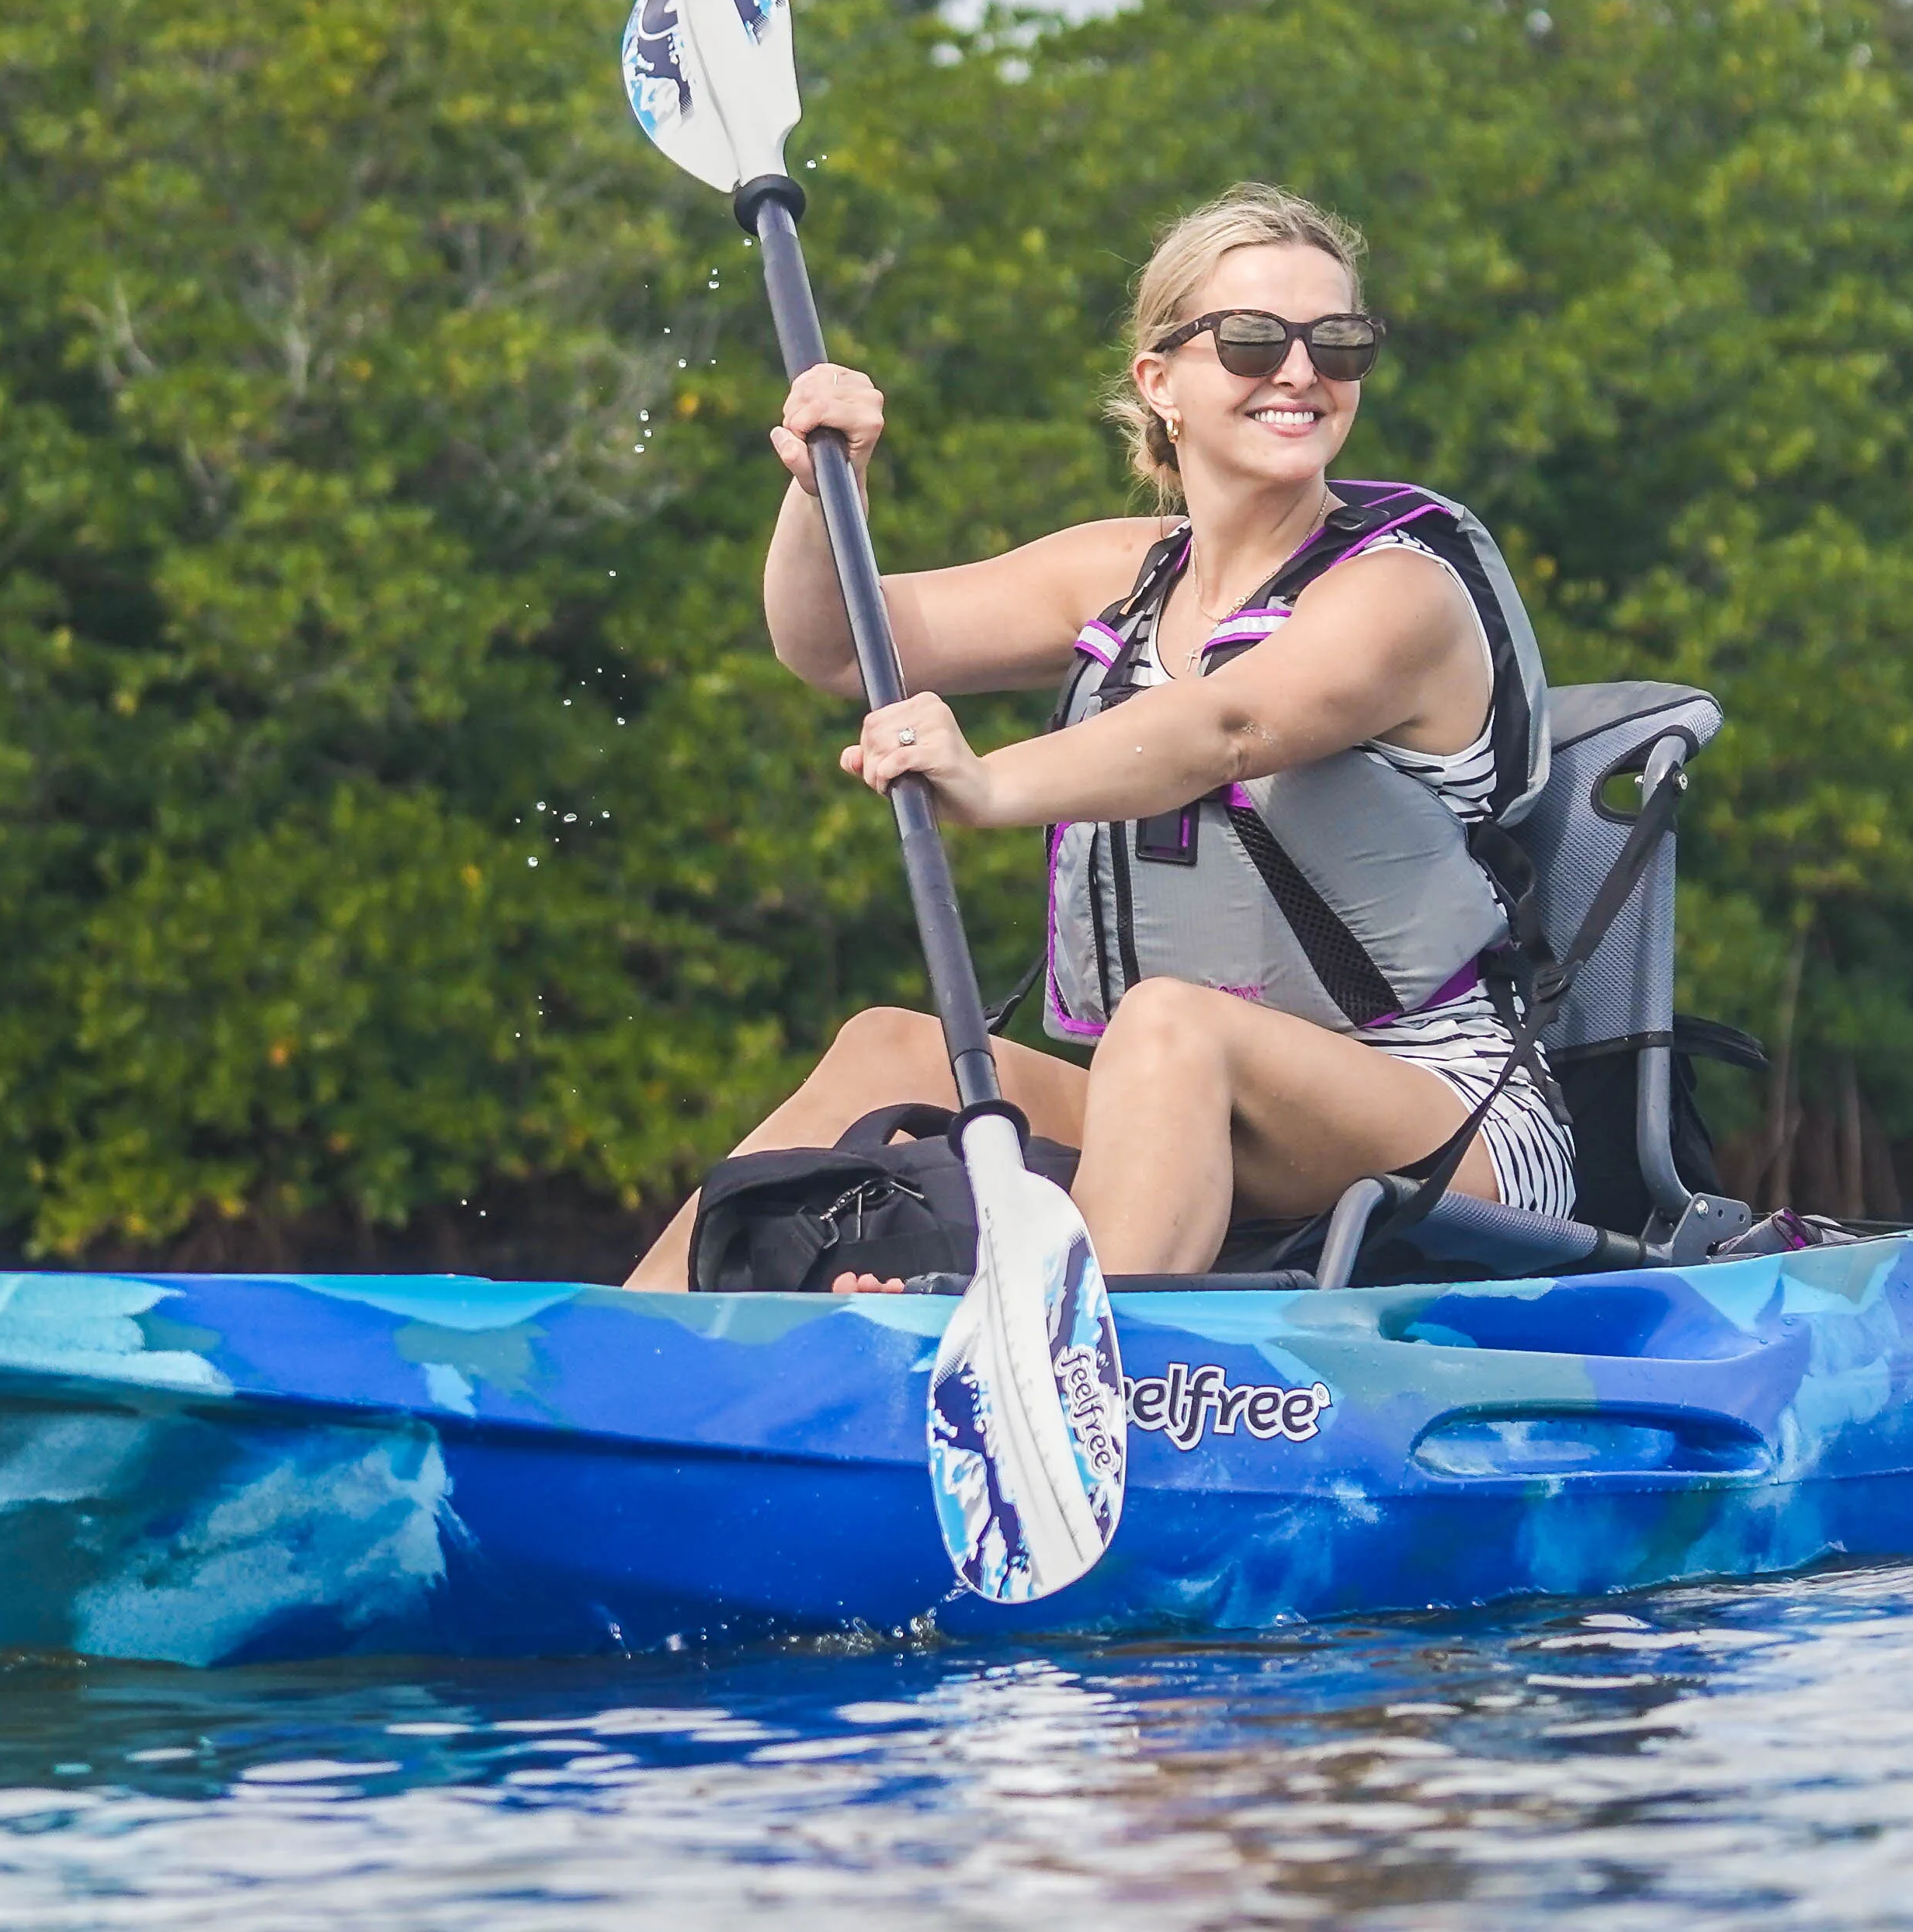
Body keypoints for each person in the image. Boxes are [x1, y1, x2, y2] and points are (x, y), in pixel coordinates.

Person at [623, 182, 1566, 1291]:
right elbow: (835, 644)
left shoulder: (1401, 593)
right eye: (1256, 340)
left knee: (1170, 1026)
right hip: (1179, 1099)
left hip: (1453, 1123)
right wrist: (826, 485)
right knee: (890, 1044)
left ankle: (1071, 1380)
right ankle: (609, 1367)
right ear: (1160, 382)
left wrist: (988, 781)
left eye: (1339, 342)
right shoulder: (1118, 572)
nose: (1301, 372)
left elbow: (1229, 723)